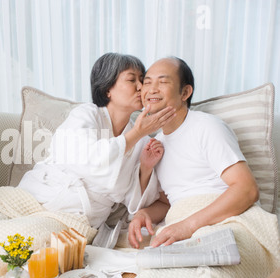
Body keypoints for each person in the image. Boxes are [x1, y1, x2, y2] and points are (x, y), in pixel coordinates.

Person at [19, 53, 176, 247]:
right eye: (131, 79)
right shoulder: (86, 115)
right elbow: (89, 158)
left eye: (142, 80)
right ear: (107, 88)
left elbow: (135, 201)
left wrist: (145, 168)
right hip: (42, 201)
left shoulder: (142, 140)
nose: (140, 87)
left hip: (86, 223)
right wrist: (136, 133)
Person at [128, 57, 260, 248]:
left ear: (185, 92)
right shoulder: (157, 146)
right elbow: (168, 204)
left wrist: (187, 226)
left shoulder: (207, 126)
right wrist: (144, 214)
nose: (152, 89)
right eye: (147, 82)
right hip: (183, 224)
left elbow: (247, 189)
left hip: (226, 222)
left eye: (163, 82)